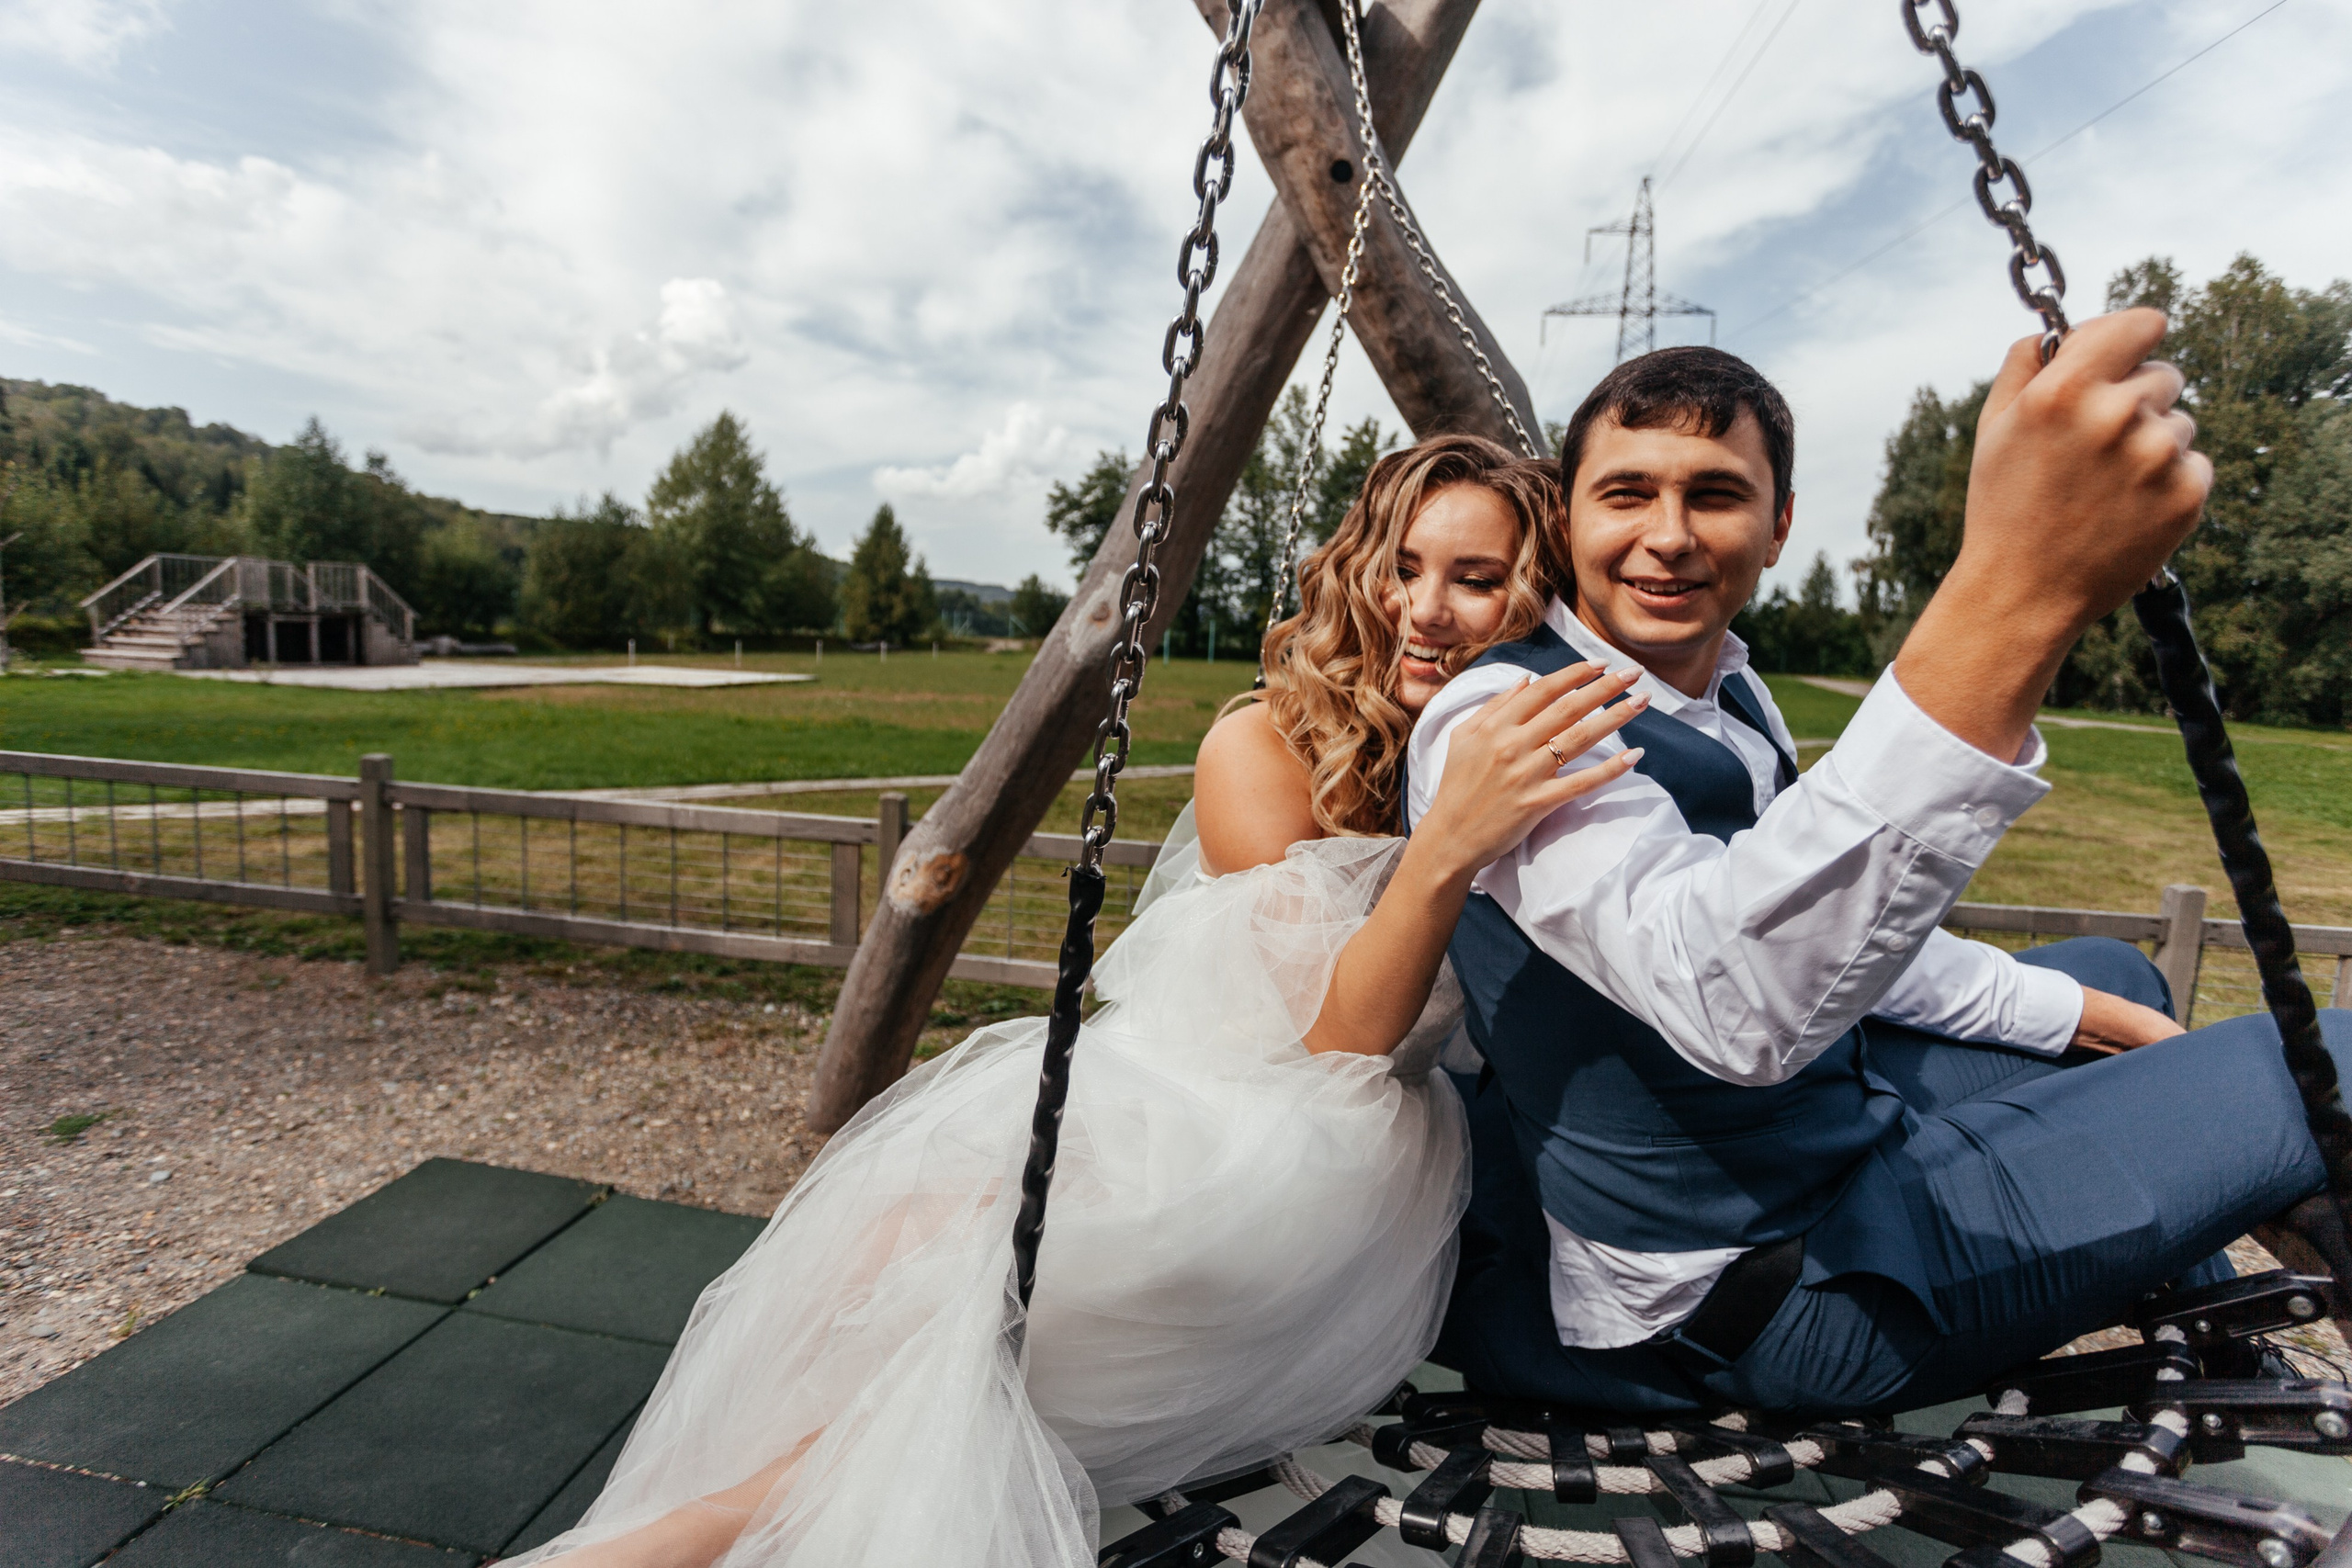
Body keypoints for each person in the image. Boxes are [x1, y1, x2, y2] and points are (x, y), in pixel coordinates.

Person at [509, 435, 1645, 1567]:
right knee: (909, 1262)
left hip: (1318, 1175)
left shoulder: (1511, 765)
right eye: (1403, 567)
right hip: (1188, 1099)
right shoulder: (1264, 743)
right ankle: (678, 1535)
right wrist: (1449, 846)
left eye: (1476, 579)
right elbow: (1325, 1028)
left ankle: (673, 1546)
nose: (1425, 609)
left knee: (962, 1348)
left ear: (1533, 599)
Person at [1412, 319, 2352, 1416]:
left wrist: (2091, 1016)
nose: (1666, 536)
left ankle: (2200, 1326)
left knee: (2122, 983)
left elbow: (1837, 931)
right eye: (1625, 494)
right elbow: (1729, 1003)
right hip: (1760, 1287)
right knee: (2329, 1050)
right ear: (1566, 520)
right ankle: (2186, 1293)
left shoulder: (1730, 694)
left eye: (1713, 494)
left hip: (1820, 1138)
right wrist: (2014, 588)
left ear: (1778, 528)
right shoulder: (1512, 719)